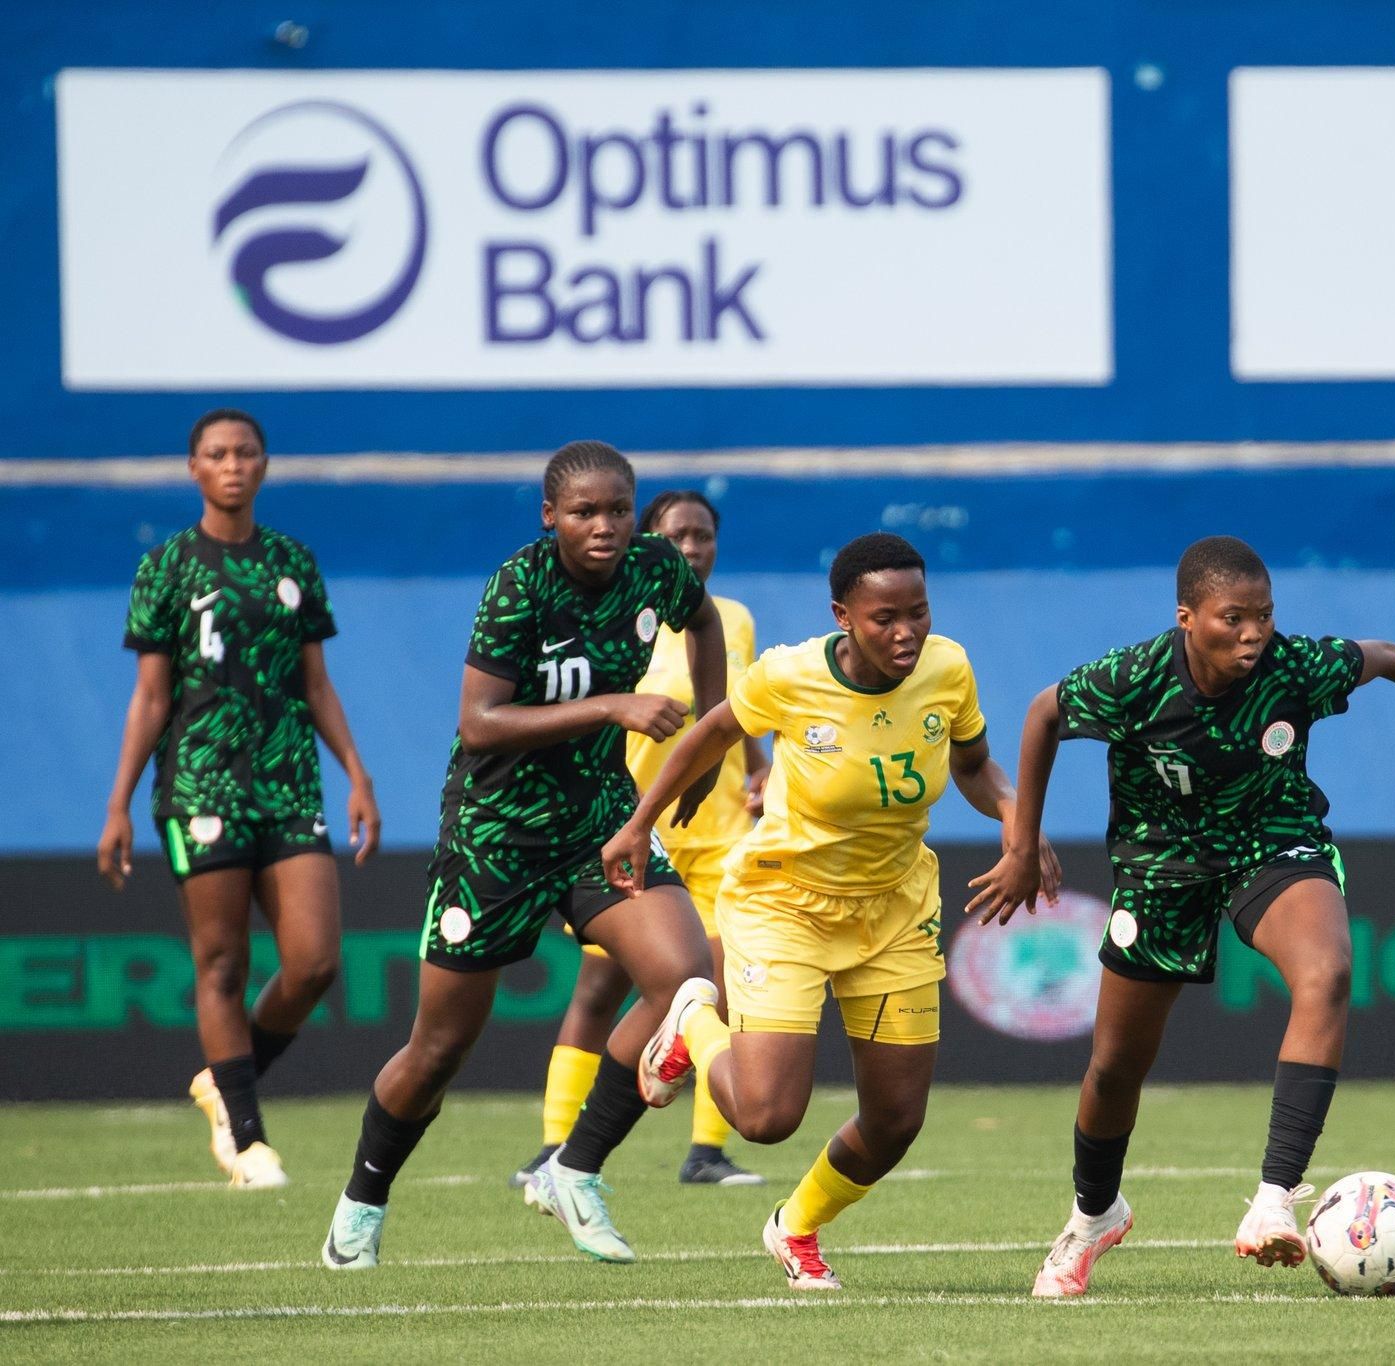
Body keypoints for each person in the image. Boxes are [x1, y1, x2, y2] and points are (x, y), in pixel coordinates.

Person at [965, 535, 1395, 1298]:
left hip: (1272, 846)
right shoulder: (1132, 679)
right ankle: (1093, 1217)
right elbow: (1045, 713)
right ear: (1187, 617)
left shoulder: (1296, 667)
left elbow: (1386, 654)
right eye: (1232, 619)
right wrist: (1020, 842)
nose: (1252, 635)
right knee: (1115, 1068)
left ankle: (1274, 1201)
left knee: (1329, 971)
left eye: (1264, 617)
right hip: (1161, 866)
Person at [600, 532, 1057, 1291]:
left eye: (918, 612)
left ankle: (796, 1226)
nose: (906, 632)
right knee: (766, 1117)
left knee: (894, 1123)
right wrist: (639, 822)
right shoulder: (789, 674)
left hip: (894, 905)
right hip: (786, 904)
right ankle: (691, 1024)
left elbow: (974, 767)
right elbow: (712, 729)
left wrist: (1017, 821)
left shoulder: (949, 668)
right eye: (885, 618)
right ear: (843, 615)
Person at [322, 441, 727, 1271]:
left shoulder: (656, 569)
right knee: (437, 1052)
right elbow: (480, 722)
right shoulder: (520, 586)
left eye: (618, 509)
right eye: (584, 513)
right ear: (550, 517)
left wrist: (713, 734)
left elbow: (705, 617)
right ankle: (361, 1201)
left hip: (599, 823)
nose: (605, 527)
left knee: (690, 982)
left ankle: (573, 1170)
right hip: (495, 831)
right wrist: (615, 704)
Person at [97, 408, 380, 1190]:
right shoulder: (166, 567)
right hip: (200, 785)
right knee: (220, 961)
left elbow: (315, 682)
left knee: (315, 963)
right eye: (216, 454)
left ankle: (225, 1082)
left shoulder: (292, 561)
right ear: (194, 467)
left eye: (245, 452)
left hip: (289, 780)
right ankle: (246, 1138)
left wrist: (356, 772)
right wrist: (119, 803)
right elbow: (150, 698)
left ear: (263, 463)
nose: (232, 464)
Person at [510, 489, 769, 1191]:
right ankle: (555, 1144)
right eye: (678, 536)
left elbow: (740, 710)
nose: (692, 549)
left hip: (719, 835)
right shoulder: (623, 612)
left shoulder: (734, 620)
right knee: (598, 988)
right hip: (630, 828)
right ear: (649, 541)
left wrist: (760, 769)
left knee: (712, 987)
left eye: (703, 536)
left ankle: (706, 1150)